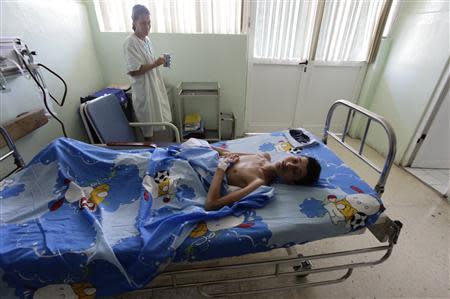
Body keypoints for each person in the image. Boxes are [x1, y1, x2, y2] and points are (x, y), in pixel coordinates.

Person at [205, 147, 321, 211]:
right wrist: (204, 146)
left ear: (290, 182)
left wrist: (221, 168)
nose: (289, 165)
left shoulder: (257, 182)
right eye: (295, 160)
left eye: (295, 171)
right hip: (202, 155)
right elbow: (227, 153)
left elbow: (211, 204)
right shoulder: (262, 156)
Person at [123, 4, 172, 140]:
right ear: (134, 23)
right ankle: (149, 155)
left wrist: (159, 62)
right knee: (147, 129)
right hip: (143, 91)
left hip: (153, 87)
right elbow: (134, 70)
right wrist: (156, 63)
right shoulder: (130, 42)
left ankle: (153, 152)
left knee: (154, 124)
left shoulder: (147, 40)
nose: (147, 26)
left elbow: (148, 64)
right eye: (143, 23)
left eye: (149, 23)